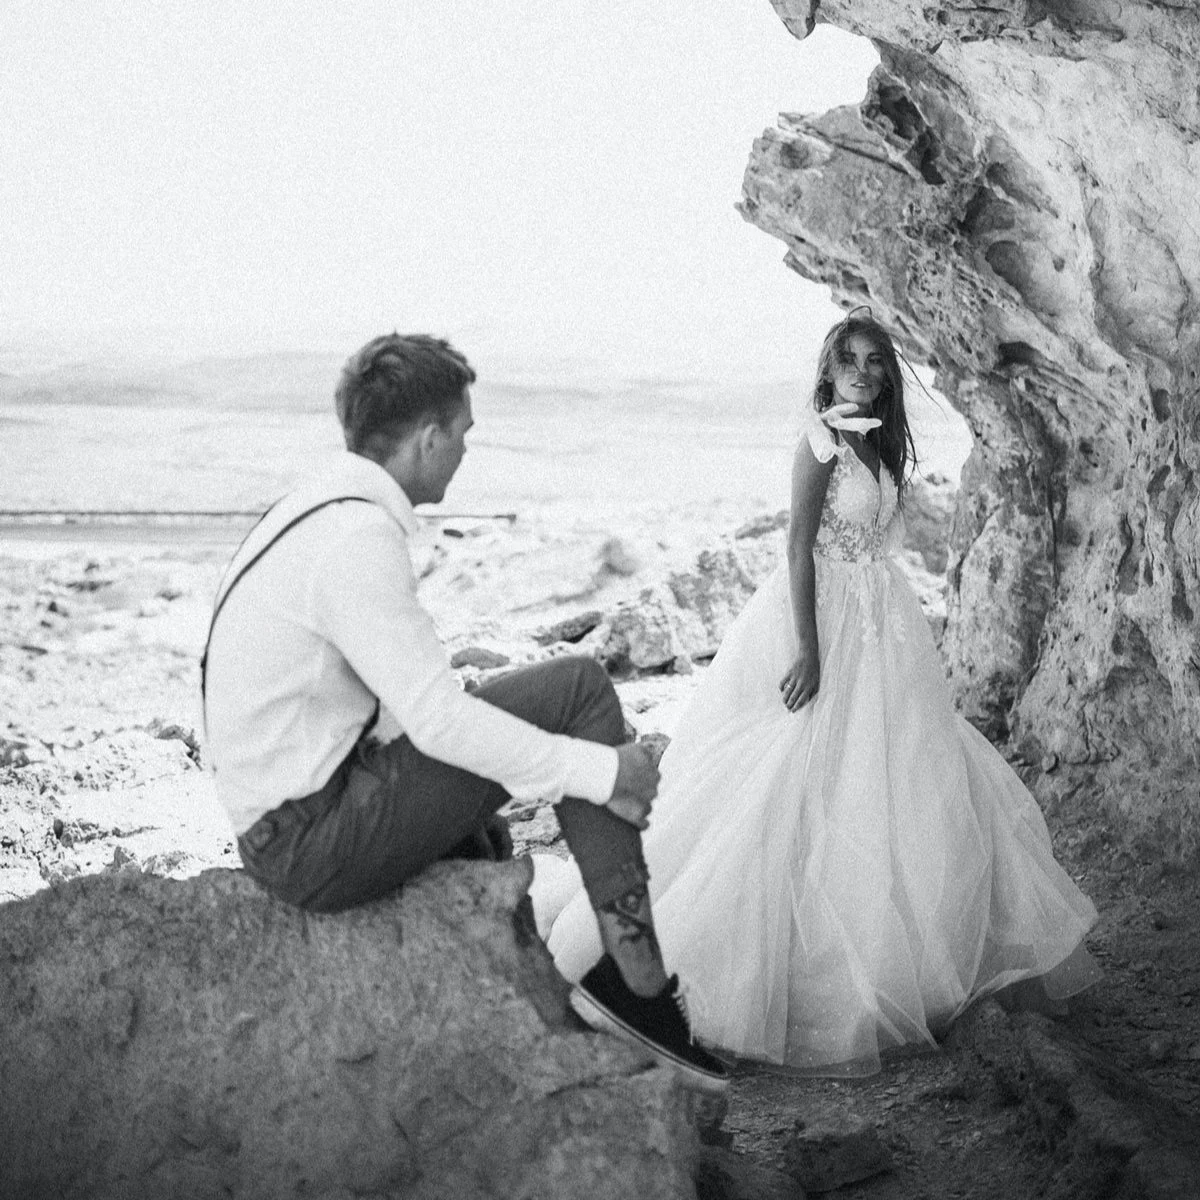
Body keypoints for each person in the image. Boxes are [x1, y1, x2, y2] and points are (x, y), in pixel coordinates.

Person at [540, 312, 1101, 1076]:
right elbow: (797, 547)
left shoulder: (872, 437)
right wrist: (809, 647)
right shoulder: (820, 439)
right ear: (828, 369)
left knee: (897, 781)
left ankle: (904, 961)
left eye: (875, 360)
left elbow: (869, 538)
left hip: (883, 623)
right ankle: (683, 972)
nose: (863, 370)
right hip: (828, 619)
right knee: (788, 777)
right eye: (849, 359)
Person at [201, 332, 728, 1095]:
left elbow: (394, 699)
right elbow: (438, 723)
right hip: (308, 839)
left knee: (489, 818)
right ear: (429, 437)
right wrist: (606, 769)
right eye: (465, 436)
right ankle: (639, 986)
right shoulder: (356, 538)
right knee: (578, 691)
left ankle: (549, 991)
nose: (466, 452)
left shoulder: (314, 509)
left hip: (298, 809)